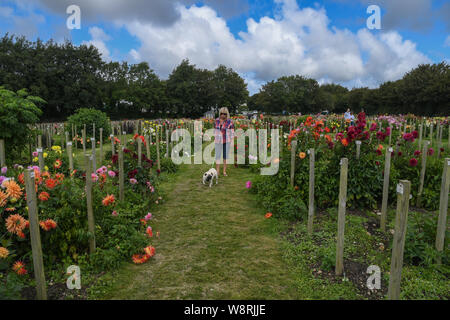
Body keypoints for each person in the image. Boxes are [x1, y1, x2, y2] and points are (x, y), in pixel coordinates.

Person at [215, 107, 234, 177]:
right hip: (218, 141)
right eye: (221, 113)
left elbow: (232, 133)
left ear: (227, 114)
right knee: (217, 156)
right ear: (220, 113)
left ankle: (224, 171)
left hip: (227, 141)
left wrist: (232, 142)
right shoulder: (216, 120)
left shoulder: (230, 122)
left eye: (224, 114)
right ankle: (217, 171)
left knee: (225, 157)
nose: (223, 115)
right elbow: (215, 130)